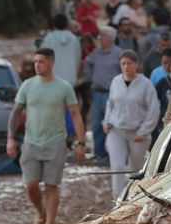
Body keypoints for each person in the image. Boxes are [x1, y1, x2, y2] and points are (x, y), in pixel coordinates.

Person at [8, 47, 85, 224]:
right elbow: (16, 112)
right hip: (31, 141)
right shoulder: (27, 85)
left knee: (52, 185)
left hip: (56, 141)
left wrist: (81, 143)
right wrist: (10, 138)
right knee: (31, 184)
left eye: (41, 61)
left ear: (51, 63)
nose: (37, 65)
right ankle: (40, 212)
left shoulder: (64, 86)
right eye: (35, 61)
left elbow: (75, 114)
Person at [104, 51, 160, 198]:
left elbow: (153, 110)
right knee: (117, 167)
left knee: (135, 169)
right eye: (123, 63)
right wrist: (107, 121)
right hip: (116, 130)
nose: (126, 67)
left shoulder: (146, 84)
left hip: (137, 132)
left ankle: (134, 197)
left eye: (129, 63)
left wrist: (143, 131)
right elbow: (110, 104)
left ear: (137, 64)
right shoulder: (116, 81)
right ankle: (117, 199)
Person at [82, 29, 123, 161]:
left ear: (111, 38)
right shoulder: (96, 53)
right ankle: (99, 152)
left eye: (103, 36)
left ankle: (116, 151)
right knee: (96, 124)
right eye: (100, 36)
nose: (100, 38)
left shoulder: (118, 53)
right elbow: (87, 63)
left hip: (112, 94)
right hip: (97, 93)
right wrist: (89, 76)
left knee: (113, 124)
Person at [38, 13, 82, 92]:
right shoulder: (74, 39)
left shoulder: (49, 38)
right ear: (66, 24)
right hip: (70, 79)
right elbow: (78, 58)